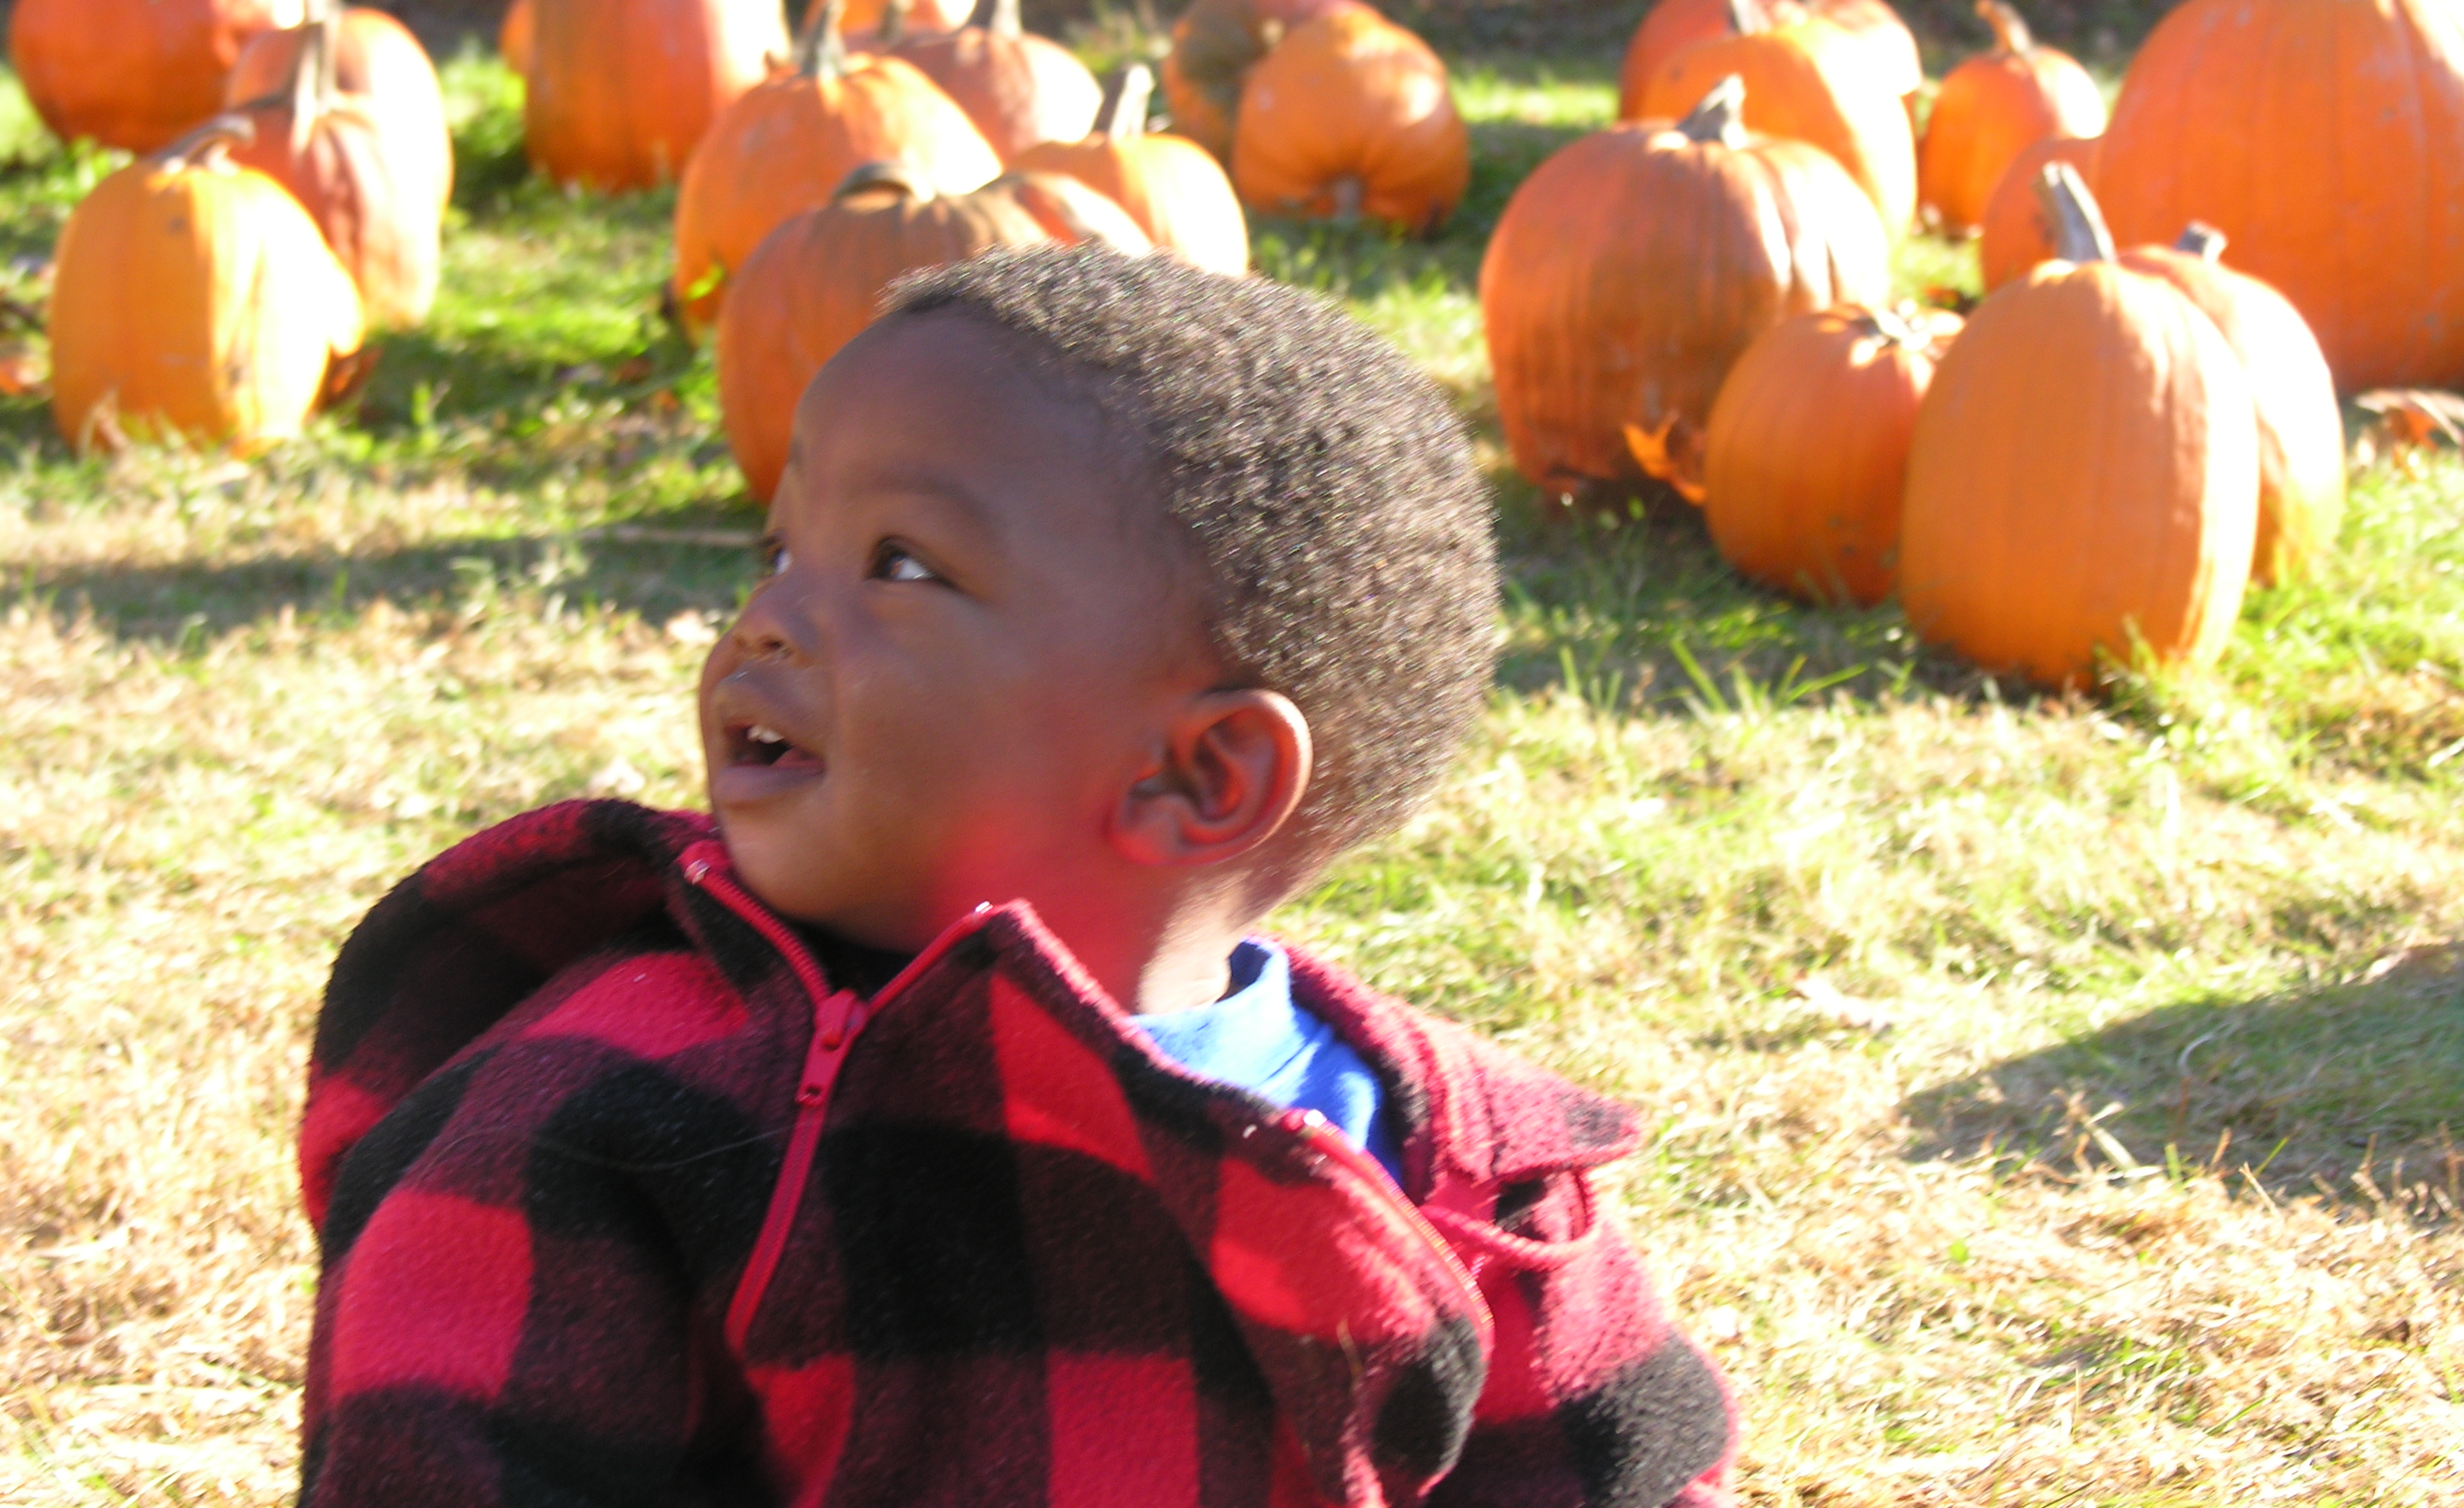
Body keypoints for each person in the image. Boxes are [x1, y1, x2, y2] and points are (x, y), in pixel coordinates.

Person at [297, 244, 1736, 1508]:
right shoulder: (603, 1103)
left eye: (901, 565)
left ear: (1198, 778)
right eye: (780, 547)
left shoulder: (1468, 1180)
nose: (769, 618)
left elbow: (1619, 1474)